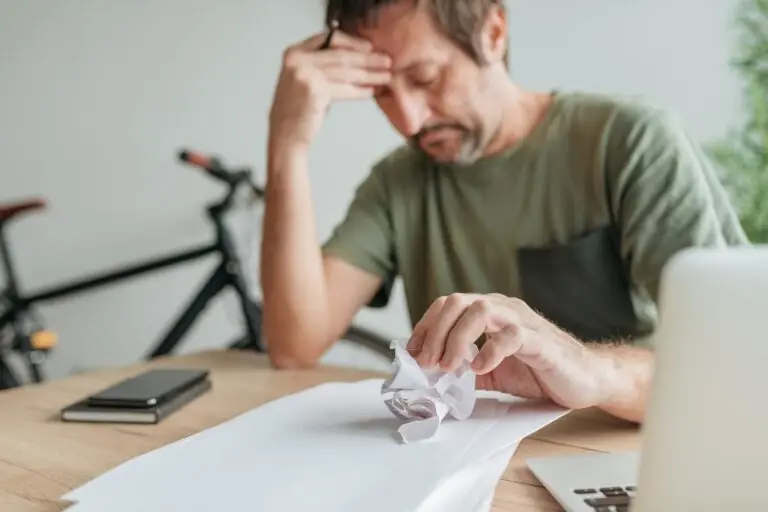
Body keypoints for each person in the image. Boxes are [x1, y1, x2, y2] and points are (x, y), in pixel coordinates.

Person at [259, 0, 748, 424]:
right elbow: (294, 344)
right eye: (381, 92)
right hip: (468, 466)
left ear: (493, 33)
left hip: (615, 452)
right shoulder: (397, 182)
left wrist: (584, 368)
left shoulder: (627, 143)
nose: (408, 119)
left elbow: (738, 358)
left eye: (426, 77)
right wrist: (287, 144)